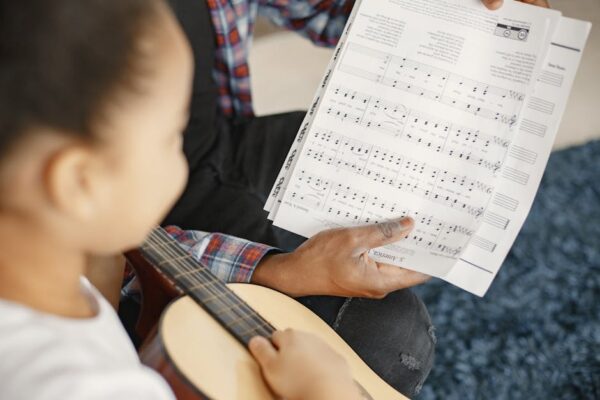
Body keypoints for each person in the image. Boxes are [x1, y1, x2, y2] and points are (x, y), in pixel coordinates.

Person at [0, 0, 430, 398]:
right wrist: (322, 393)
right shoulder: (95, 386)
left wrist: (279, 273)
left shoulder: (54, 254)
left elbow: (142, 253)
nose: (179, 159)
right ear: (80, 182)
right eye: (171, 136)